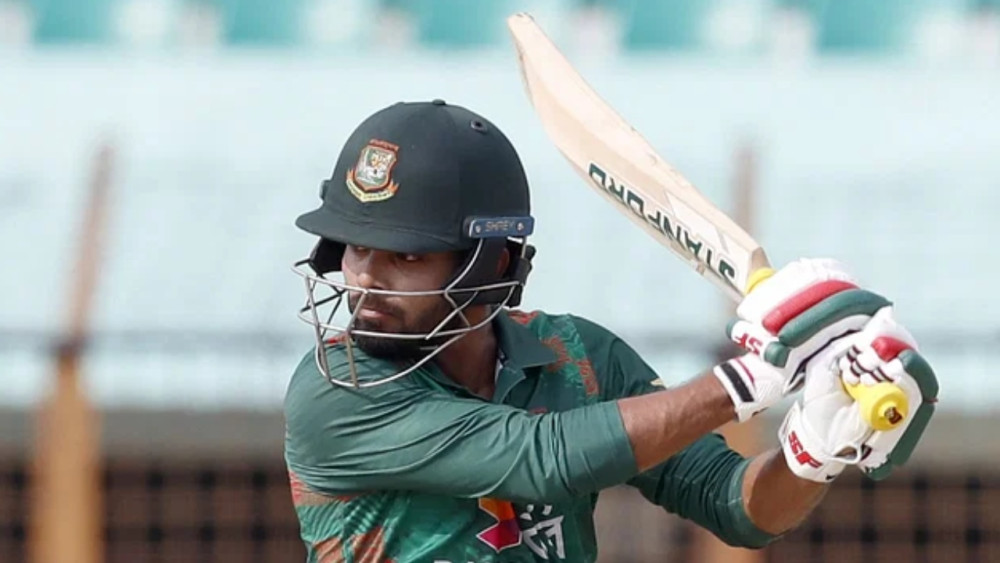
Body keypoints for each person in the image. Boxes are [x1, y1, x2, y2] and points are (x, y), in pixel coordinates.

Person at [285, 99, 938, 562]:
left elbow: (735, 506)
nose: (363, 278)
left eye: (404, 256)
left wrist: (813, 452)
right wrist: (757, 374)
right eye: (356, 247)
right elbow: (542, 458)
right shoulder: (337, 391)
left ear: (493, 263)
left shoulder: (576, 356)